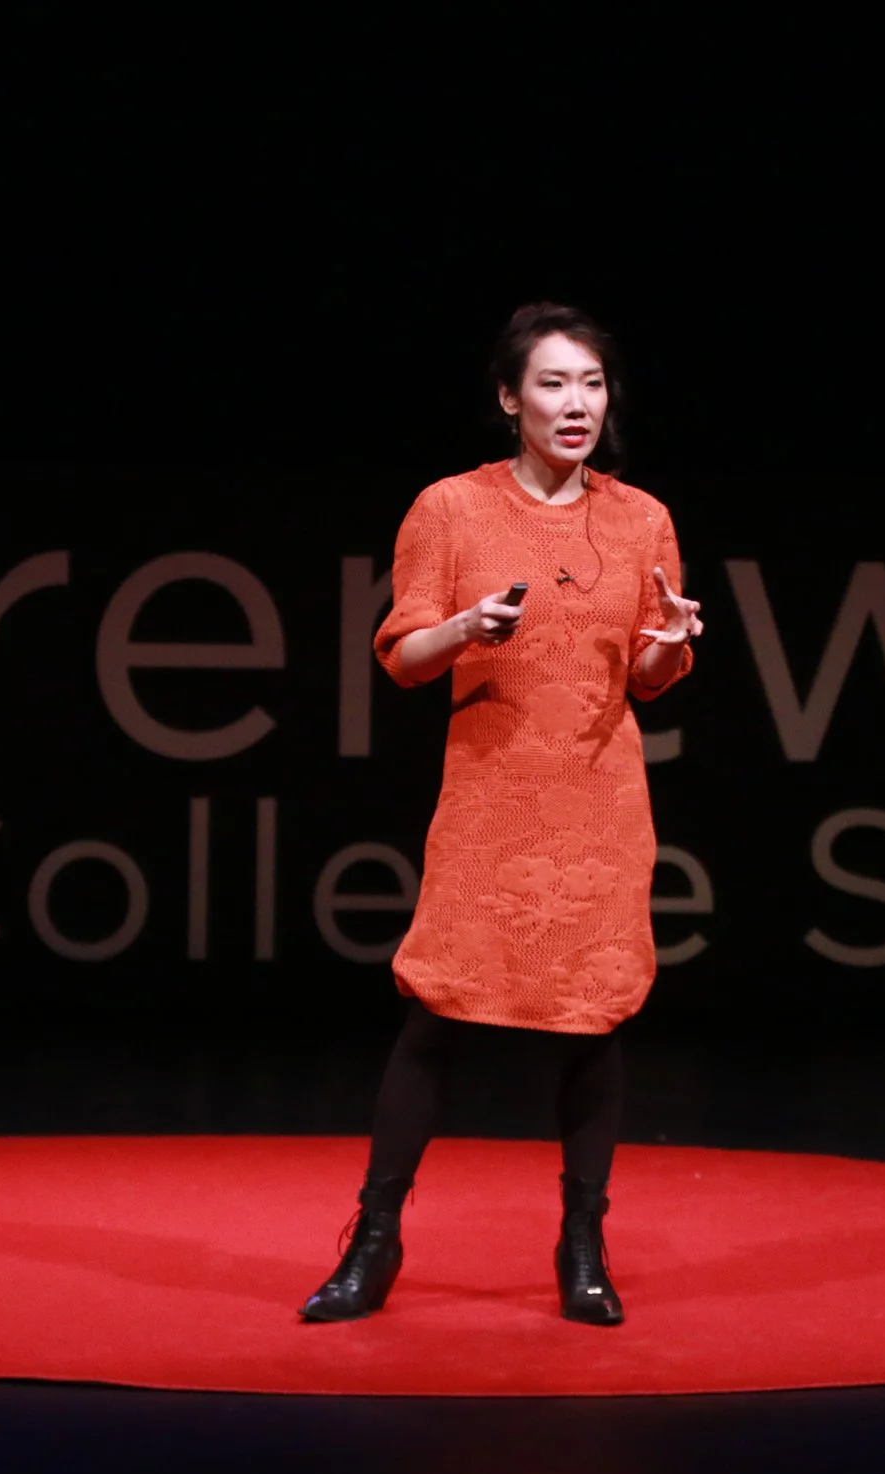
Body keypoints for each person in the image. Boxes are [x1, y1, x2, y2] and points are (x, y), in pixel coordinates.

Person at [300, 302, 703, 1326]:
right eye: (555, 384)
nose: (576, 404)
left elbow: (652, 676)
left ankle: (582, 1244)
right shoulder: (449, 509)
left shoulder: (640, 516)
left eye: (592, 385)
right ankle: (374, 1240)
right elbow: (400, 654)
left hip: (598, 801)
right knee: (434, 1015)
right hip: (491, 799)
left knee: (591, 1025)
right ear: (508, 398)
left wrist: (671, 639)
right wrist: (465, 626)